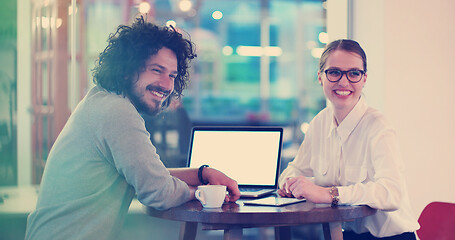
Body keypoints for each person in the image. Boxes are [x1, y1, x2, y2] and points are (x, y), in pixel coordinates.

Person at [25, 17, 240, 240]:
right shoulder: (116, 111)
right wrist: (207, 194)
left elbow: (147, 175)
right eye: (157, 70)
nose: (167, 84)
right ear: (127, 69)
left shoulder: (101, 100)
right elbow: (159, 192)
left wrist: (202, 174)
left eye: (172, 75)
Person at [278, 39, 419, 239]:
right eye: (334, 72)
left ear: (364, 78)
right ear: (320, 77)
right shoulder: (319, 123)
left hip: (391, 237)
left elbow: (392, 192)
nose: (344, 82)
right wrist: (290, 184)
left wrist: (330, 194)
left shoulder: (378, 125)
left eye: (354, 73)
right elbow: (295, 169)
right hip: (345, 234)